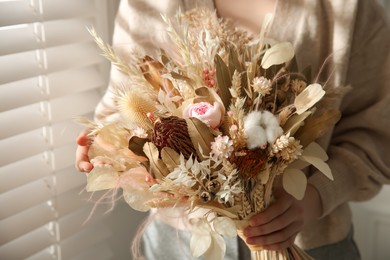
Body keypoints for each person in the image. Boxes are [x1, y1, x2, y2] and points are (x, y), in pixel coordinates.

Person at [75, 0, 390, 259]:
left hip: (315, 245)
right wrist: (108, 147)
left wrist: (313, 198)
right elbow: (123, 116)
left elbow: (377, 136)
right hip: (179, 246)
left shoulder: (350, 9)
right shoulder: (149, 5)